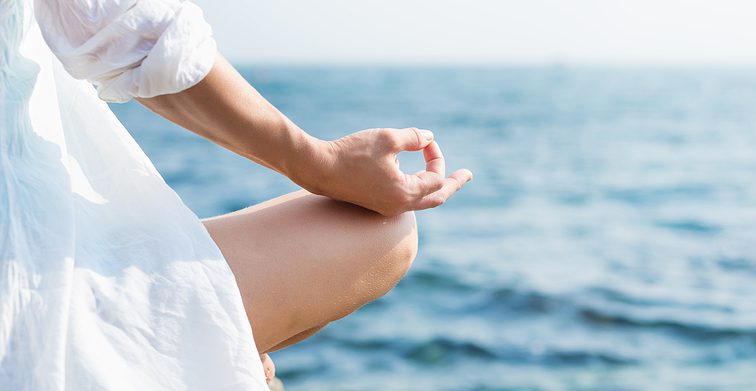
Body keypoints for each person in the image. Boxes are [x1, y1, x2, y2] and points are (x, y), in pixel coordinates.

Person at [0, 0, 472, 389]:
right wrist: (322, 163)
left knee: (243, 346)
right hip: (25, 290)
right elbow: (132, 27)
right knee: (384, 234)